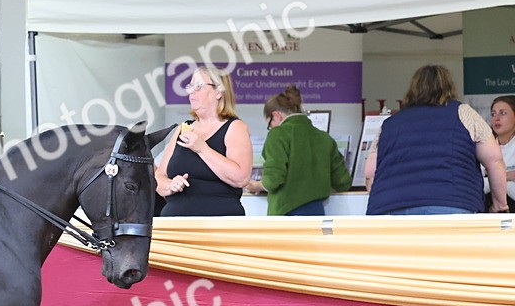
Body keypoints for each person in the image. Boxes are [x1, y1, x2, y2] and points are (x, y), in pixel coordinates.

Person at [366, 65, 508, 214]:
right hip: (452, 204)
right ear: (448, 87)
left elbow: (370, 173)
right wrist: (500, 205)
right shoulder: (464, 113)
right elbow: (495, 161)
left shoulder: (389, 124)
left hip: (390, 209)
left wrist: (384, 200)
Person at [155, 65, 252, 216]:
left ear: (219, 92)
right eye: (190, 86)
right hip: (175, 225)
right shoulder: (183, 129)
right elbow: (159, 177)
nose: (191, 91)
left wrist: (202, 149)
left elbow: (241, 178)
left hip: (218, 223)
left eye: (199, 86)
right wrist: (171, 185)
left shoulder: (235, 127)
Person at [246, 85, 352, 215]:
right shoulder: (324, 138)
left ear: (276, 115)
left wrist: (257, 185)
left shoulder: (278, 134)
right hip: (317, 212)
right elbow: (343, 182)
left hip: (286, 212)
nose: (271, 129)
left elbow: (273, 179)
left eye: (270, 124)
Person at [484, 95, 515, 209]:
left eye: (503, 113)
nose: (496, 118)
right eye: (493, 114)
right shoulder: (485, 146)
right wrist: (508, 176)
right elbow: (478, 185)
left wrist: (493, 178)